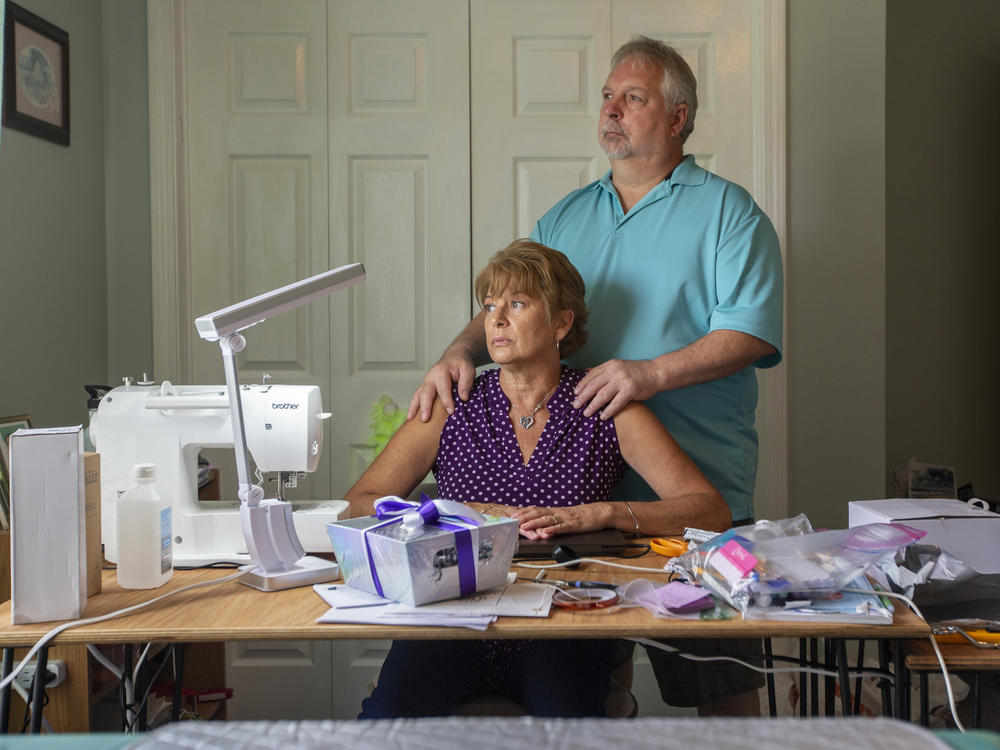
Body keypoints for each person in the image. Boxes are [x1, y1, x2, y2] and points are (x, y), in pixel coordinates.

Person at [407, 37, 783, 716]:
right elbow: (510, 301)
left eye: (632, 98)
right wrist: (458, 351)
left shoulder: (730, 213)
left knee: (720, 691)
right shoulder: (567, 216)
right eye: (607, 96)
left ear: (677, 116)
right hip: (577, 496)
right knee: (594, 690)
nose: (610, 110)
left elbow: (751, 331)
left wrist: (648, 375)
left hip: (693, 502)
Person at [347, 239, 730, 718]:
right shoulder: (451, 403)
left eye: (518, 303)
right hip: (450, 618)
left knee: (565, 725)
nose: (496, 319)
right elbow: (358, 503)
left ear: (561, 323)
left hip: (562, 618)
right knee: (383, 725)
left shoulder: (605, 404)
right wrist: (463, 515)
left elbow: (710, 510)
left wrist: (602, 514)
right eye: (489, 306)